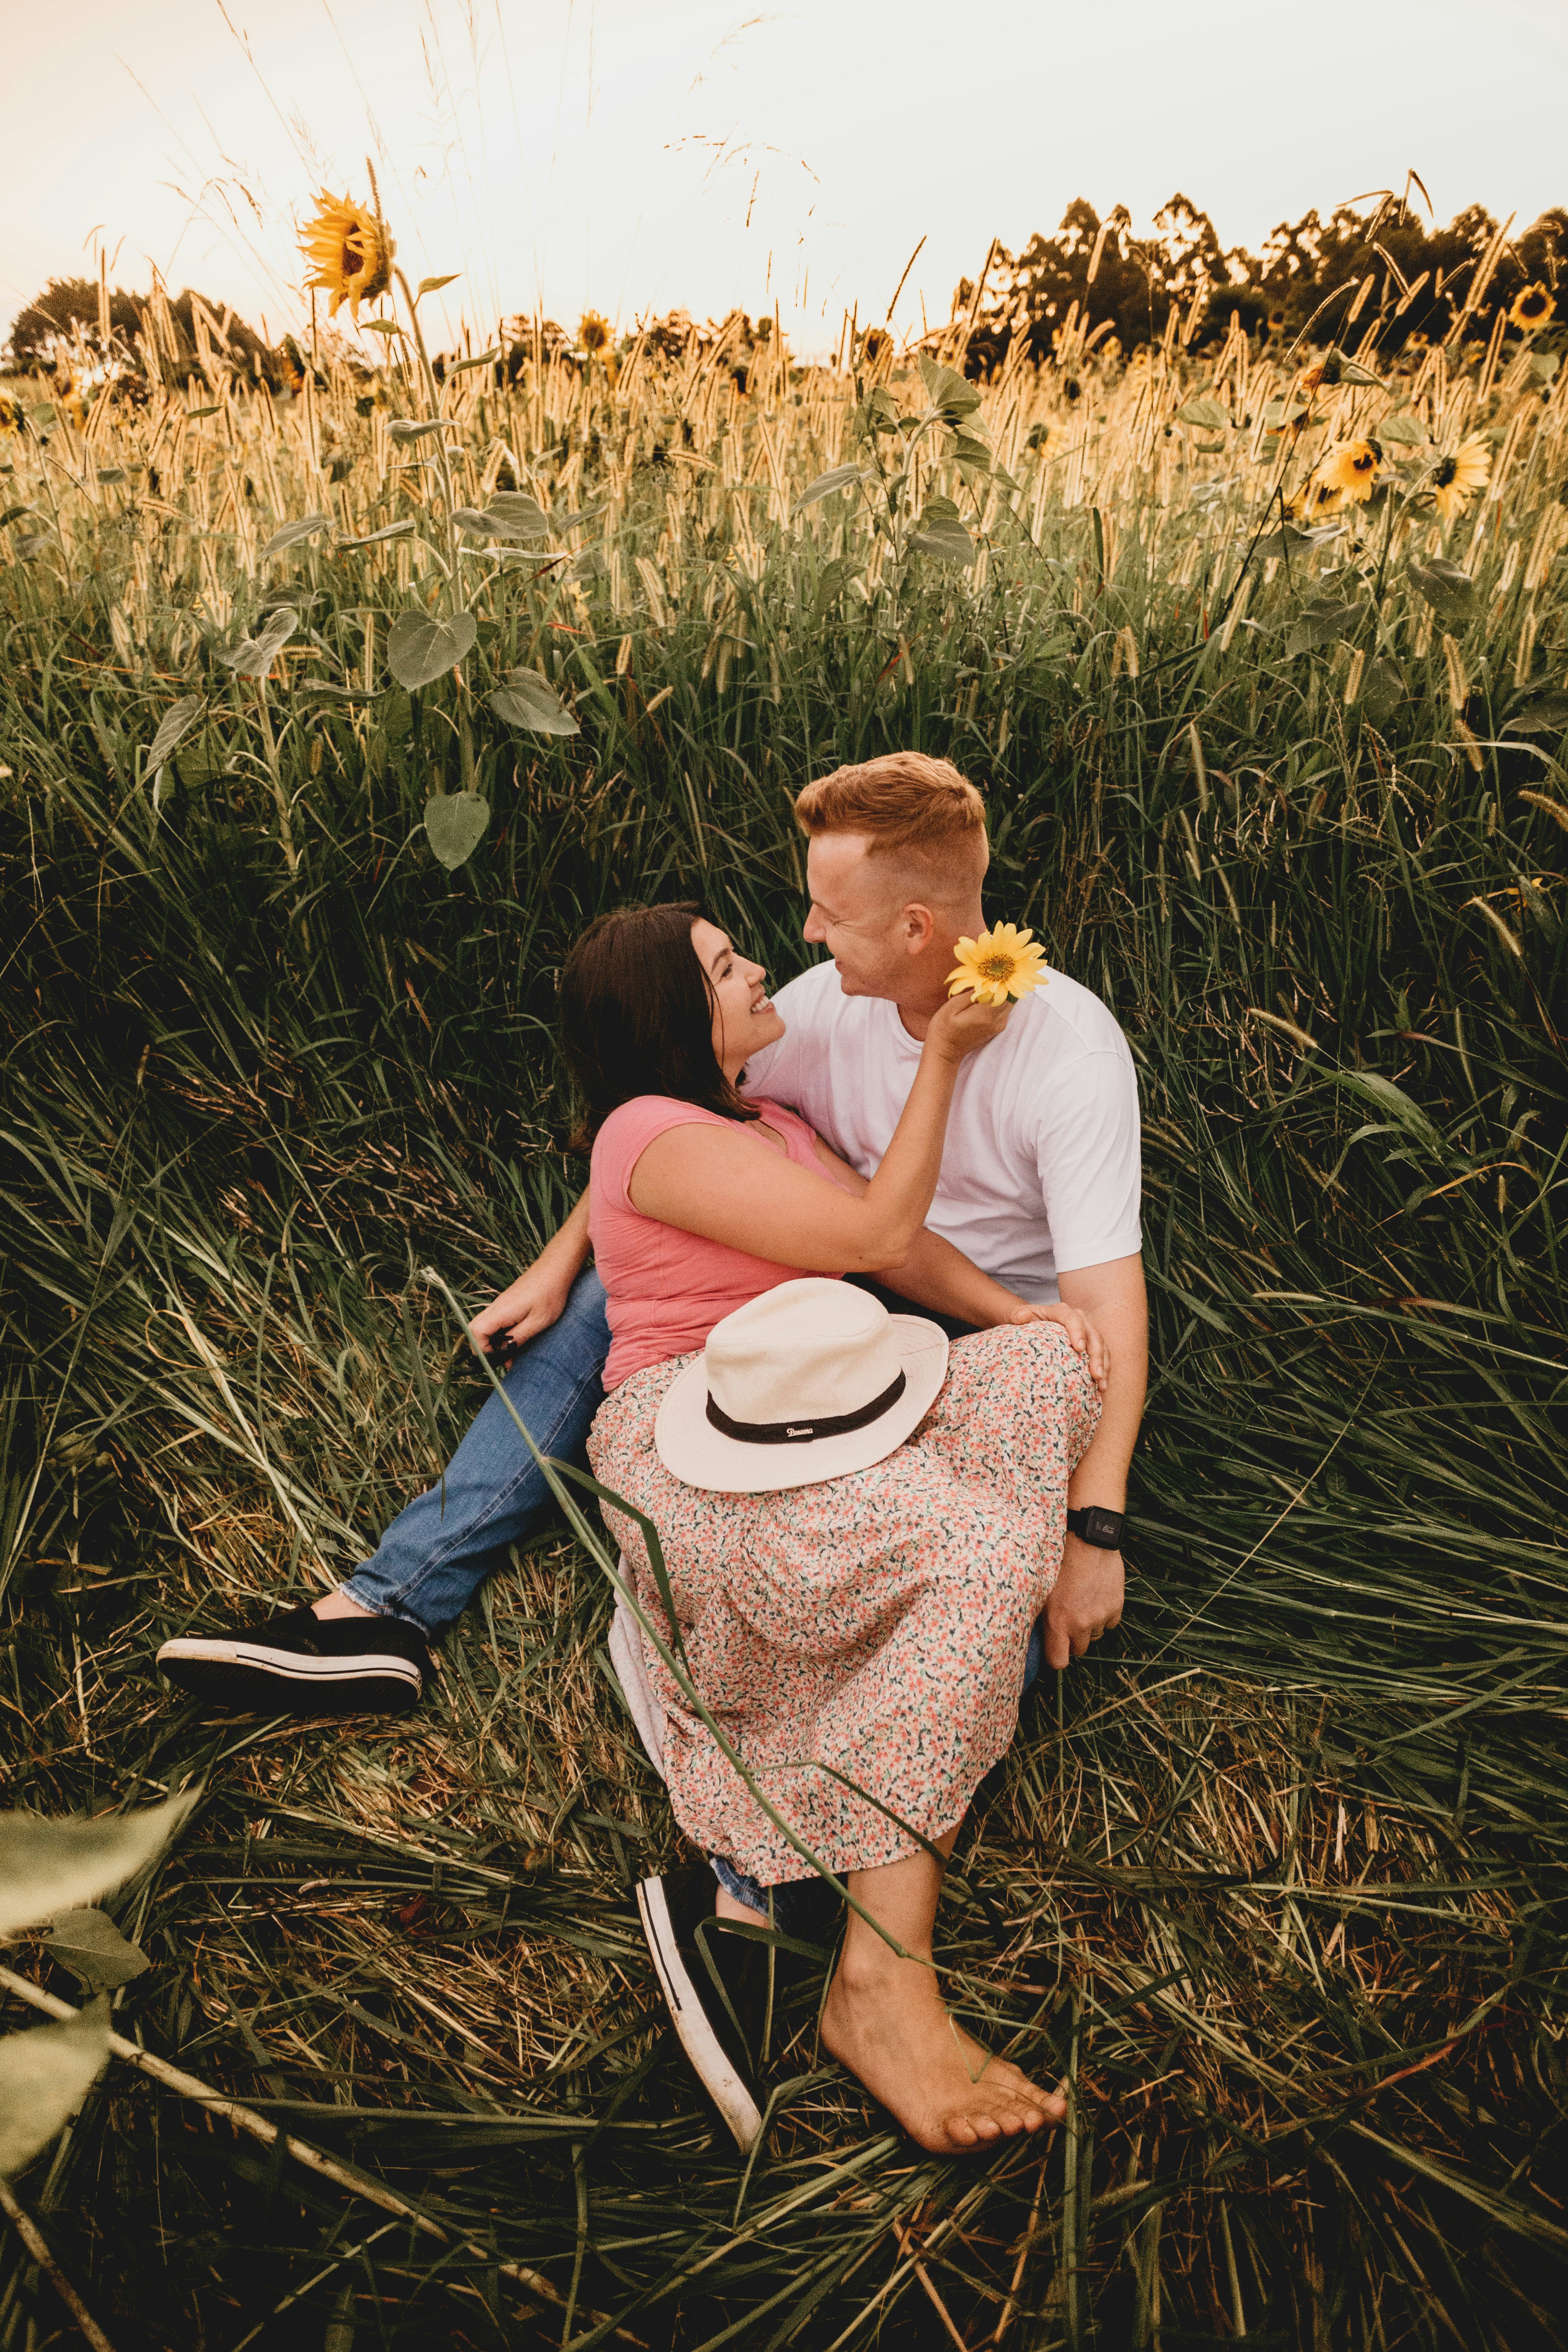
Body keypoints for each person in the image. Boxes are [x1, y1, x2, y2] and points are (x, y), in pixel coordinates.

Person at [155, 753, 1144, 1718]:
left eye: (830, 916)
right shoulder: (818, 1009)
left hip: (975, 1329)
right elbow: (675, 1124)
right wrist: (562, 1257)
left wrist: (1094, 1528)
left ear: (916, 926)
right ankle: (386, 1608)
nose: (801, 936)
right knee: (598, 1305)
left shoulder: (1068, 1054)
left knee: (995, 1592)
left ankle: (803, 1812)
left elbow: (1100, 1313)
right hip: (831, 1286)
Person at [563, 900, 1103, 2153]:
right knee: (983, 1555)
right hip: (699, 1443)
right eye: (723, 965)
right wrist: (949, 1060)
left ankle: (836, 1797)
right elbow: (874, 1233)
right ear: (669, 1016)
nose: (759, 967)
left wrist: (1017, 1319)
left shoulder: (770, 1124)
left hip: (834, 1408)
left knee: (1051, 1378)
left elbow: (903, 1266)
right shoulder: (647, 1132)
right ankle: (880, 1979)